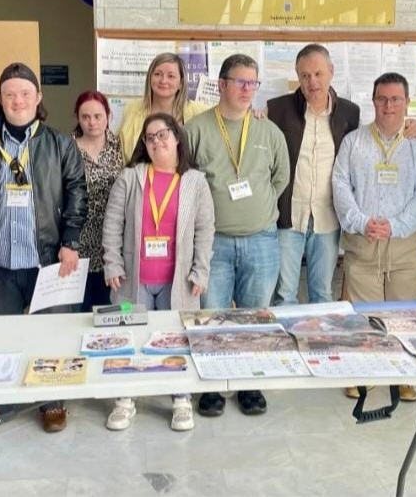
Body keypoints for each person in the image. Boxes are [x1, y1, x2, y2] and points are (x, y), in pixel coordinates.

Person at [0, 62, 87, 432]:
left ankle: (52, 401)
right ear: (1, 100)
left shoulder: (60, 144)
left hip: (47, 258)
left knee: (51, 332)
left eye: (25, 94)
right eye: (10, 95)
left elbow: (77, 193)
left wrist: (70, 241)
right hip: (1, 260)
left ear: (38, 97)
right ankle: (2, 401)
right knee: (3, 334)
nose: (18, 101)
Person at [185, 53, 290, 417]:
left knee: (254, 318)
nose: (247, 89)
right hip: (212, 243)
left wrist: (258, 206)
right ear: (222, 84)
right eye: (240, 82)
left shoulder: (268, 131)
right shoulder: (196, 129)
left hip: (261, 240)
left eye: (253, 83)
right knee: (211, 317)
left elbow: (280, 177)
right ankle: (213, 386)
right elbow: (187, 182)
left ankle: (249, 384)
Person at [102, 113, 215, 432]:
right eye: (149, 138)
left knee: (176, 338)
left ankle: (180, 399)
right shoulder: (131, 177)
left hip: (177, 281)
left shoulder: (195, 181)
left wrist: (201, 271)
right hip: (133, 280)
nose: (156, 142)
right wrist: (112, 262)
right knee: (130, 337)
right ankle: (125, 399)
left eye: (162, 135)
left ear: (177, 137)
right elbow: (112, 222)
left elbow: (206, 229)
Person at [332, 72, 416, 401]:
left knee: (403, 313)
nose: (388, 105)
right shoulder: (354, 142)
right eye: (382, 99)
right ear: (373, 101)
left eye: (395, 99)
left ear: (407, 102)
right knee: (365, 314)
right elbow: (340, 185)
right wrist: (361, 222)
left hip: (406, 243)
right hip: (364, 241)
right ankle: (367, 373)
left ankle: (403, 375)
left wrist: (397, 225)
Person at [266, 44, 360, 306]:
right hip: (288, 217)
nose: (312, 82)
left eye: (318, 74)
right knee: (284, 294)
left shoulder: (350, 113)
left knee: (322, 294)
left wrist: (410, 126)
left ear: (331, 71)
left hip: (327, 218)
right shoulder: (277, 110)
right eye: (305, 75)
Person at [74, 90, 124, 312]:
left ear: (108, 116)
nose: (92, 122)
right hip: (78, 243)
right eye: (85, 117)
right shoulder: (67, 149)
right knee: (80, 312)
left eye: (97, 116)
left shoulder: (121, 147)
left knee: (109, 311)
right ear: (78, 118)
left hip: (113, 242)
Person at [118, 53, 208, 160]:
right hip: (140, 170)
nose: (163, 81)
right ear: (150, 78)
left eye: (171, 76)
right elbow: (119, 153)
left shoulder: (200, 112)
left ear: (181, 83)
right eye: (157, 74)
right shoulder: (131, 109)